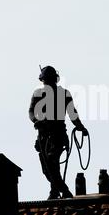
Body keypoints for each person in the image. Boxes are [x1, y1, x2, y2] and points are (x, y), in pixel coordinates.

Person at [29, 65, 88, 199]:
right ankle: (55, 191)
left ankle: (63, 191)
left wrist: (80, 126)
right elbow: (31, 112)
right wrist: (36, 121)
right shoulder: (38, 94)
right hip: (43, 137)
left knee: (51, 163)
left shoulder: (64, 94)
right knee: (47, 168)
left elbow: (72, 113)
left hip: (58, 135)